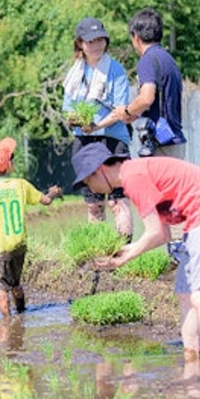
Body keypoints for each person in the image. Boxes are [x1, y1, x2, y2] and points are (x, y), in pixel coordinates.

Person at [72, 142, 200, 367]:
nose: (90, 187)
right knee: (185, 293)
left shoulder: (133, 177)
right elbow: (163, 234)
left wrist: (125, 258)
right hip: (198, 219)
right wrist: (128, 250)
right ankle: (191, 360)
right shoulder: (132, 176)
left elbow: (156, 232)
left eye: (88, 181)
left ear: (100, 169)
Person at [62, 17, 133, 241]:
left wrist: (96, 126)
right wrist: (75, 120)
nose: (97, 45)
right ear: (80, 44)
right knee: (93, 203)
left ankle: (124, 251)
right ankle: (98, 252)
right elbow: (67, 109)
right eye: (91, 41)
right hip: (84, 140)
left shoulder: (116, 70)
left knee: (117, 200)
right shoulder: (75, 73)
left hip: (112, 139)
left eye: (101, 39)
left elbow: (121, 110)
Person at [0, 138, 62, 315]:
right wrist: (53, 192)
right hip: (20, 244)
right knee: (15, 282)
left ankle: (7, 322)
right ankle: (21, 313)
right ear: (8, 165)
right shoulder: (21, 185)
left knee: (1, 286)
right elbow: (45, 200)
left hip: (1, 247)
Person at [113, 8, 186, 158]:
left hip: (161, 144)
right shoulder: (168, 59)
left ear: (136, 37)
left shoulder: (148, 60)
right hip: (173, 139)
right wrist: (136, 112)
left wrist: (126, 111)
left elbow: (146, 98)